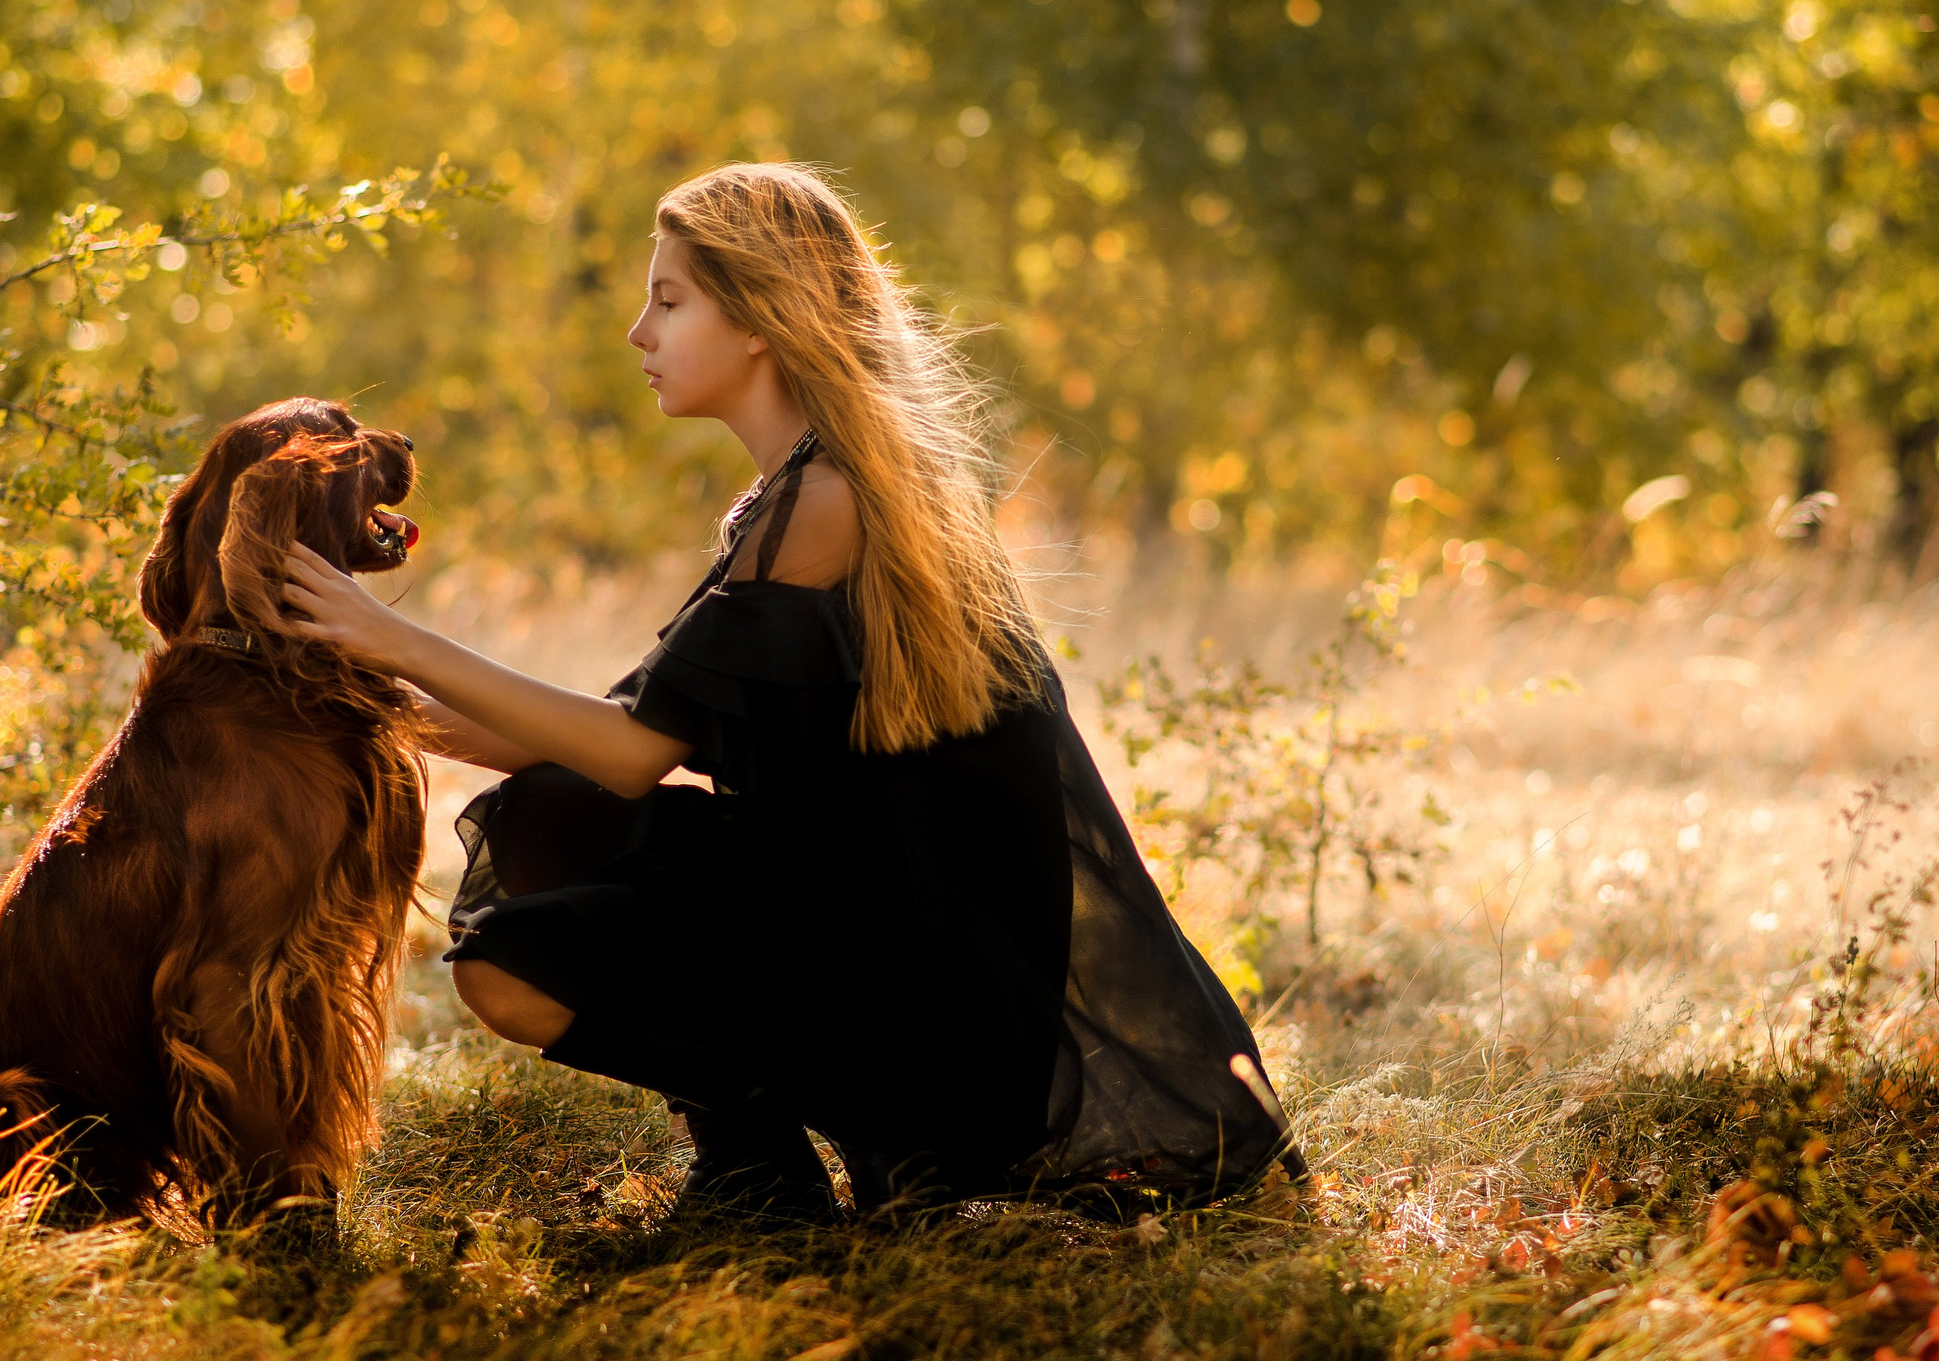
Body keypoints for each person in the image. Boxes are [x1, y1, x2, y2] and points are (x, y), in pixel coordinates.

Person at [277, 162, 1298, 1222]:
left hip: (931, 986)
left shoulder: (833, 501)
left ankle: (866, 1144)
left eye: (668, 300)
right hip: (853, 919)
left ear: (761, 317)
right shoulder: (799, 493)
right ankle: (758, 1170)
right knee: (548, 809)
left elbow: (628, 750)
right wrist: (345, 685)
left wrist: (389, 633)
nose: (637, 331)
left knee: (505, 961)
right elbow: (609, 742)